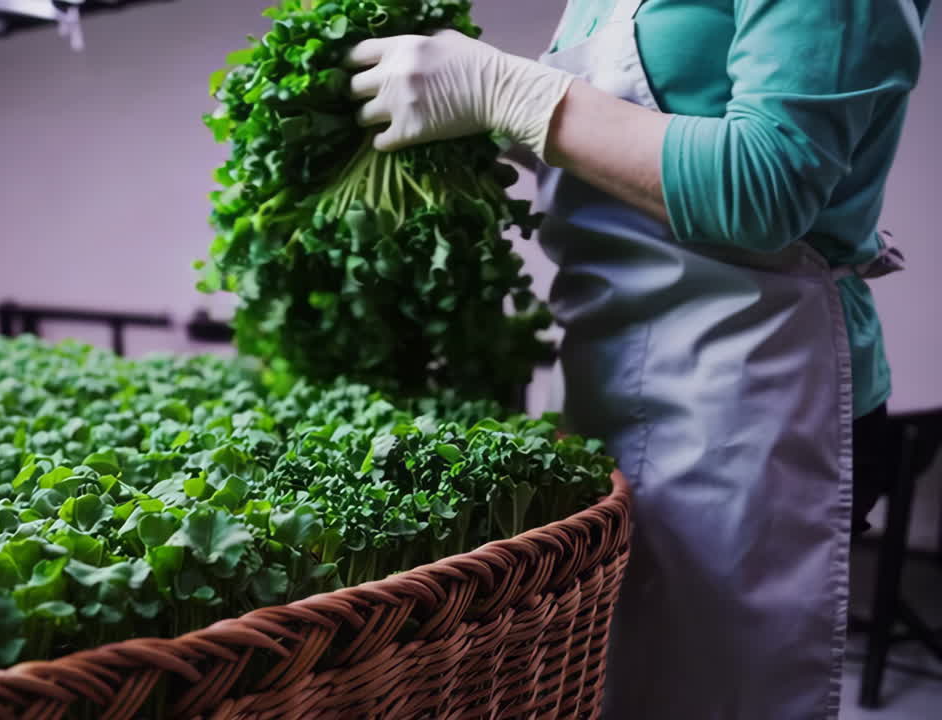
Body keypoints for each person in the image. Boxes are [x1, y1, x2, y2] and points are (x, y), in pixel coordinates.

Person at [346, 1, 930, 718]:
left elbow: (766, 185)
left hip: (751, 393)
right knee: (623, 683)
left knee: (713, 691)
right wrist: (483, 119)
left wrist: (511, 91)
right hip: (614, 379)